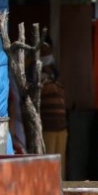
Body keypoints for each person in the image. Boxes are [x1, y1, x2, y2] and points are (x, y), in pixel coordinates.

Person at [40, 48, 67, 179]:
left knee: (57, 164)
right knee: (51, 163)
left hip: (59, 128)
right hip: (50, 128)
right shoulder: (42, 80)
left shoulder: (55, 80)